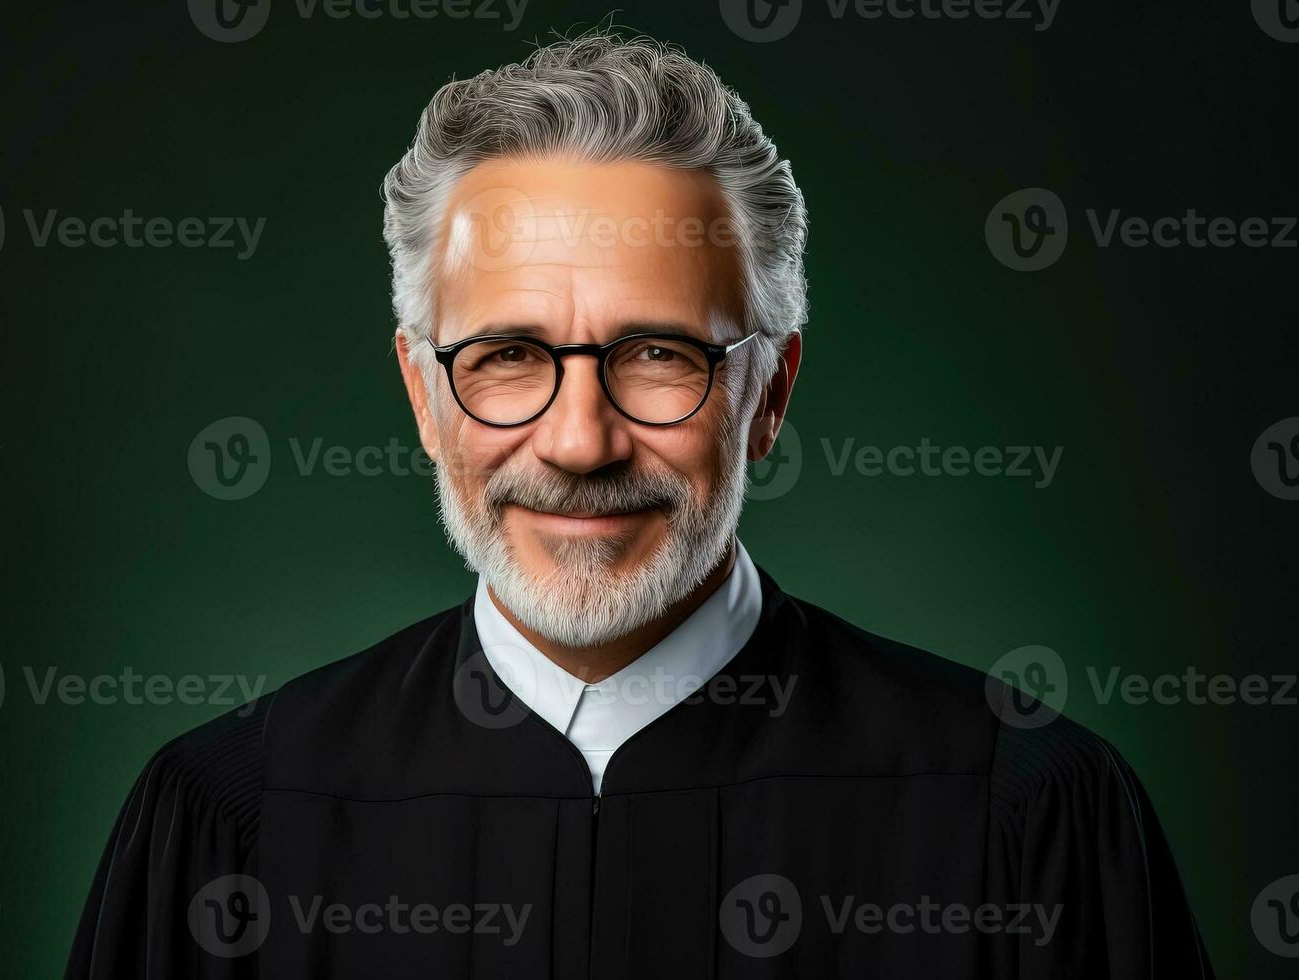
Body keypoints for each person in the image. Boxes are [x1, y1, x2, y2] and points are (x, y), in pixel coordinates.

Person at [66, 30, 1211, 978]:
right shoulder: (232, 820)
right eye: (509, 353)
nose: (578, 440)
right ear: (423, 392)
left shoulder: (1026, 818)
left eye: (660, 353)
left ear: (769, 392)